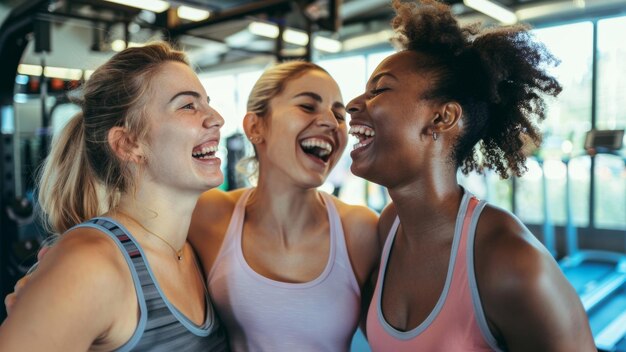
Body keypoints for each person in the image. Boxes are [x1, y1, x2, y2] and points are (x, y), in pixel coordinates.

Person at [346, 0, 595, 351]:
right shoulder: (390, 229)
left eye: (379, 90)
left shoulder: (512, 262)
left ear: (442, 118)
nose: (353, 104)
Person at [0, 42, 229, 351]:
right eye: (188, 105)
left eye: (207, 102)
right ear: (128, 144)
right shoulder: (90, 263)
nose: (216, 118)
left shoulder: (196, 245)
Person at [187, 61, 380, 351]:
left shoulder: (360, 229)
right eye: (307, 106)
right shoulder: (209, 214)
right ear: (255, 126)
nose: (331, 121)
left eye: (338, 115)